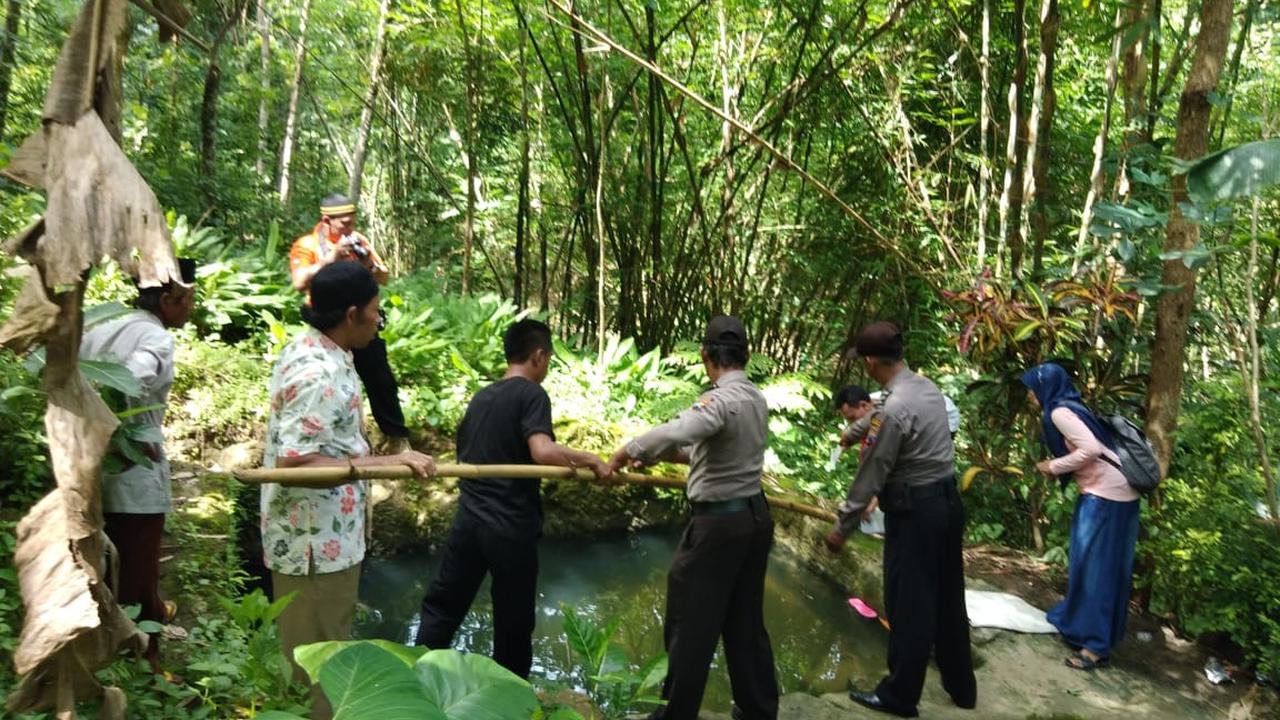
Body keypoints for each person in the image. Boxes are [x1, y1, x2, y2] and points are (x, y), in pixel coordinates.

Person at [261, 261, 436, 719]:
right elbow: (295, 463)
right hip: (313, 547)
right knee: (317, 664)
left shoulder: (323, 351)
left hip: (327, 538)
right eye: (378, 312)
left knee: (326, 649)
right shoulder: (317, 371)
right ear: (353, 313)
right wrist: (389, 460)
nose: (380, 321)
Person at [414, 319, 611, 679]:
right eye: (548, 358)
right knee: (513, 622)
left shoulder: (480, 398)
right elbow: (542, 450)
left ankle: (414, 683)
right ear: (538, 355)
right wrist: (590, 459)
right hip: (509, 527)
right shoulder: (532, 394)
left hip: (469, 521)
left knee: (442, 608)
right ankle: (512, 700)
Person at [608, 315, 779, 720]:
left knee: (690, 623)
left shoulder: (718, 400)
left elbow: (681, 428)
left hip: (718, 527)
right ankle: (758, 709)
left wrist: (625, 450)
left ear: (705, 356)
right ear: (747, 355)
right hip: (754, 520)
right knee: (744, 620)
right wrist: (650, 455)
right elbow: (704, 448)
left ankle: (675, 714)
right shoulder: (754, 397)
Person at [824, 321, 975, 718]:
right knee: (947, 598)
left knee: (909, 605)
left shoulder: (894, 407)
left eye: (865, 362)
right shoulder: (924, 388)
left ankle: (899, 695)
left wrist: (843, 527)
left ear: (872, 362)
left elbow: (871, 472)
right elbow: (874, 421)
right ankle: (962, 689)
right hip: (946, 502)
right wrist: (853, 433)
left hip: (916, 513)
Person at [80, 258, 197, 674]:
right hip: (133, 466)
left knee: (106, 557)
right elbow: (127, 381)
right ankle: (146, 659)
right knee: (137, 566)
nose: (191, 309)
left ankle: (130, 629)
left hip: (88, 460)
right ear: (169, 300)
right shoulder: (155, 338)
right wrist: (125, 431)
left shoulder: (108, 322)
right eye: (188, 300)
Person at [1021, 362, 1140, 671]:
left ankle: (1095, 648)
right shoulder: (1070, 405)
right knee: (1097, 567)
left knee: (1096, 570)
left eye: (1032, 388)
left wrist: (1053, 466)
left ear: (1044, 388)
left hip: (1106, 496)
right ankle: (1081, 626)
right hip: (1117, 492)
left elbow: (1089, 448)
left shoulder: (1059, 412)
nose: (1029, 395)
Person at [289, 193, 410, 454]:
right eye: (344, 223)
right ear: (326, 220)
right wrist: (329, 259)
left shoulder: (358, 240)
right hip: (327, 324)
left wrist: (368, 265)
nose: (349, 228)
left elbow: (384, 277)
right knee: (331, 379)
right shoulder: (307, 245)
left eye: (352, 222)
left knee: (380, 378)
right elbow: (299, 282)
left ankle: (396, 436)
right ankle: (332, 440)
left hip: (361, 322)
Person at [834, 385, 884, 536]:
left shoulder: (881, 421)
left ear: (864, 405)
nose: (852, 423)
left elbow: (884, 465)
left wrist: (872, 502)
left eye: (852, 418)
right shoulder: (873, 405)